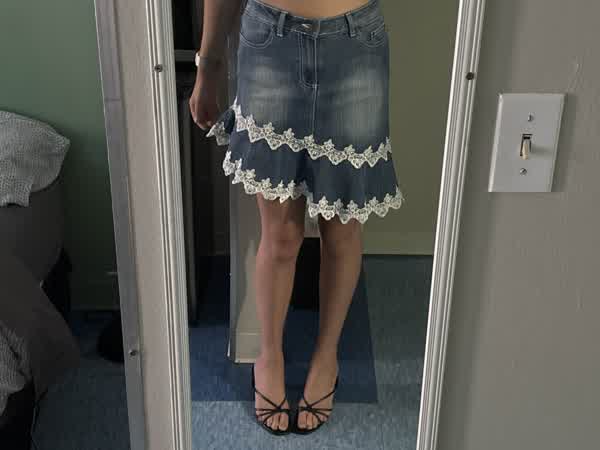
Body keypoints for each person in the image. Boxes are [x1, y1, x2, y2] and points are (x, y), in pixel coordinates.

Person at [189, 0, 403, 435]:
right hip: (270, 42)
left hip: (356, 45)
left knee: (341, 230)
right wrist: (208, 65)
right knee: (281, 235)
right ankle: (269, 355)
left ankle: (326, 357)